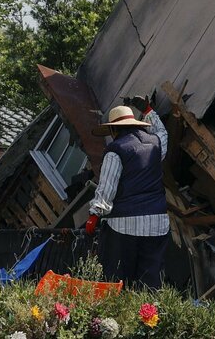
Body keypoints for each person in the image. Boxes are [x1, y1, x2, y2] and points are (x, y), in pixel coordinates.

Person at [86, 96, 169, 288]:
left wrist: (94, 215)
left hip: (123, 226)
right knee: (151, 282)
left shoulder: (115, 150)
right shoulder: (156, 144)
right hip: (158, 223)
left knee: (118, 280)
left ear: (113, 130)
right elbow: (163, 132)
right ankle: (150, 315)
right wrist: (149, 111)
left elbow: (107, 189)